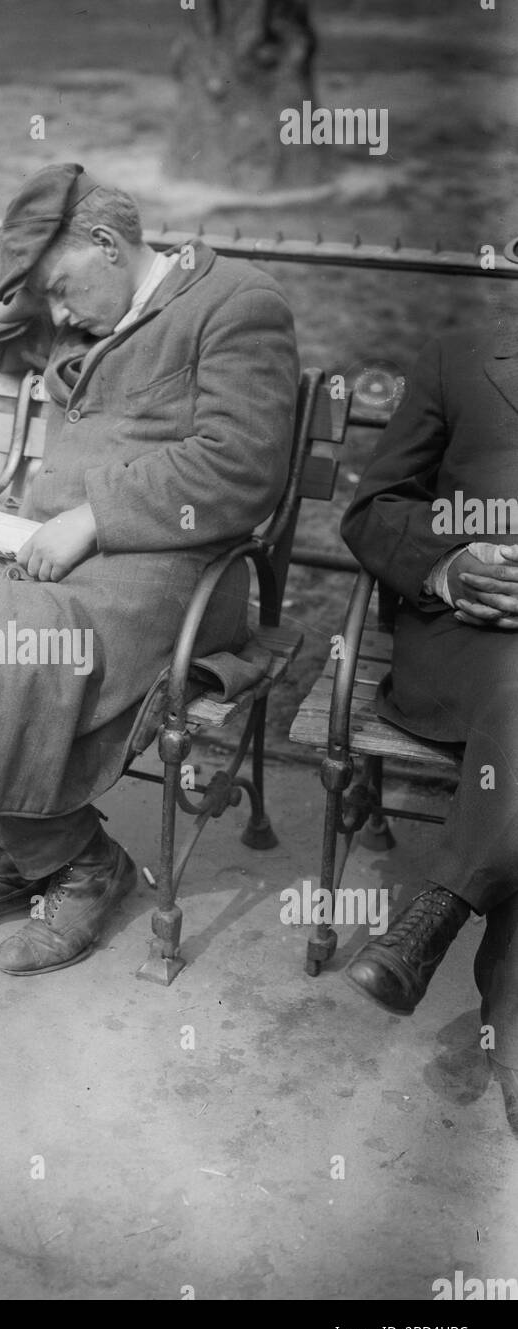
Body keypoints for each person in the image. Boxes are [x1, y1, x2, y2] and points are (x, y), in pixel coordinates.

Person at [0, 163, 299, 976]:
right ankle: (12, 853)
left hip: (168, 575)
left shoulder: (237, 303)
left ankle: (84, 866)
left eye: (60, 290)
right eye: (49, 299)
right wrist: (28, 282)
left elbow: (242, 466)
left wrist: (94, 517)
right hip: (51, 558)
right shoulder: (87, 314)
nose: (57, 314)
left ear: (104, 244)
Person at [341, 323, 518, 1134]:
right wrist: (446, 566)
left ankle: (438, 910)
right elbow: (375, 509)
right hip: (464, 634)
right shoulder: (459, 358)